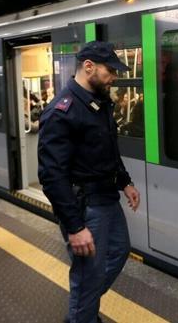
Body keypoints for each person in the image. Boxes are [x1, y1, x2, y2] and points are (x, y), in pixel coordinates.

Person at [38, 41, 140, 323]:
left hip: (108, 197)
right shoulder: (62, 111)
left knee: (118, 253)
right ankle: (83, 314)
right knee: (88, 275)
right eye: (111, 71)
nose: (115, 77)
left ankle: (84, 308)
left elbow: (108, 148)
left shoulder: (100, 102)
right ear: (88, 66)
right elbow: (51, 175)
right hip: (86, 206)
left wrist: (125, 182)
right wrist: (75, 226)